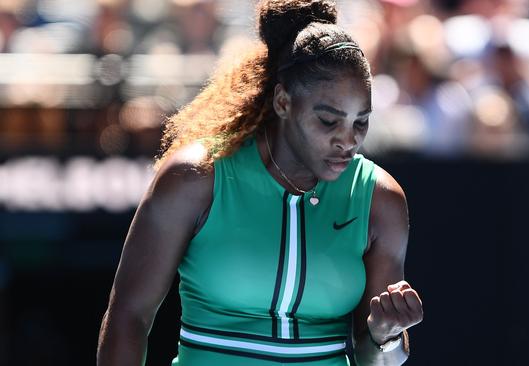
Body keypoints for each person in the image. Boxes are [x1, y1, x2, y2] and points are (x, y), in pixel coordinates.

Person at [96, 0, 423, 365]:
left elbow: (378, 357)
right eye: (328, 121)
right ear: (283, 102)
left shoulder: (381, 200)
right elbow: (128, 317)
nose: (347, 141)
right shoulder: (195, 178)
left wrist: (385, 336)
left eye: (360, 122)